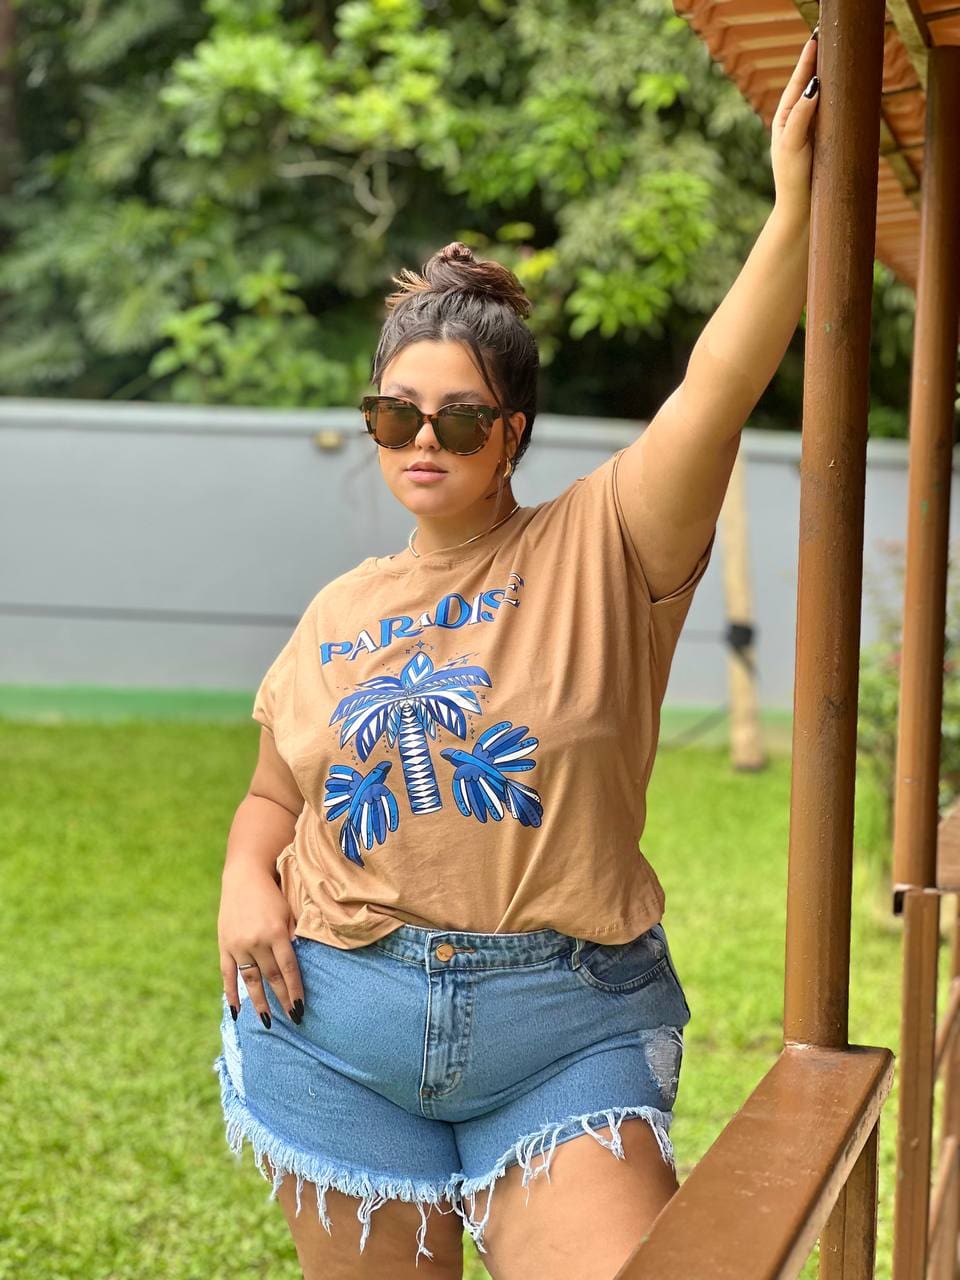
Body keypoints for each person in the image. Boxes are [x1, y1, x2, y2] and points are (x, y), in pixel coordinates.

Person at [212, 33, 820, 1280]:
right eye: (396, 413)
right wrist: (241, 879)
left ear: (513, 431)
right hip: (333, 1028)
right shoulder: (338, 608)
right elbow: (274, 796)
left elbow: (716, 385)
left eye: (461, 416)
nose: (423, 439)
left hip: (564, 1028)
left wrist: (795, 206)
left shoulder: (608, 541)